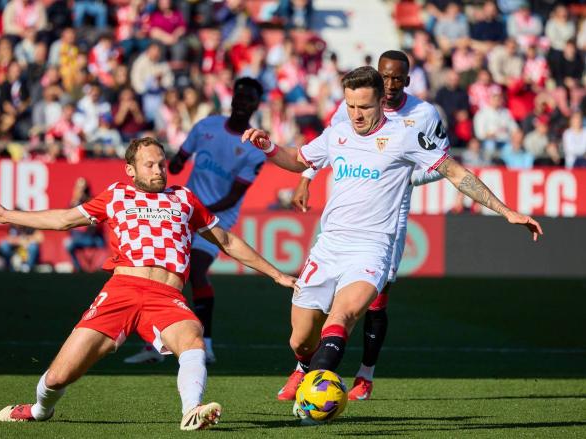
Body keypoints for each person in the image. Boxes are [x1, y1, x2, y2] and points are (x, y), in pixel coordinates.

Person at [242, 66, 542, 420]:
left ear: (381, 103)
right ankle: (307, 368)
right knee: (300, 340)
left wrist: (506, 211)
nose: (356, 114)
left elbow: (457, 174)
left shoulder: (407, 136)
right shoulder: (337, 132)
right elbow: (297, 160)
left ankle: (317, 397)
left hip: (372, 247)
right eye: (351, 106)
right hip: (329, 245)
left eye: (364, 107)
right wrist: (269, 146)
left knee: (344, 315)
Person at [0, 137, 296, 430]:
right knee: (58, 376)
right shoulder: (116, 196)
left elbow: (227, 241)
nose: (158, 170)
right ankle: (39, 410)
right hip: (121, 293)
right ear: (130, 170)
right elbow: (62, 220)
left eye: (161, 163)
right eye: (150, 165)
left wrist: (277, 273)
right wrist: (9, 216)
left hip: (166, 296)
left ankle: (192, 410)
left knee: (193, 339)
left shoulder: (184, 199)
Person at [282, 50, 452, 401]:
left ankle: (365, 374)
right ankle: (304, 369)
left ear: (407, 79)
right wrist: (307, 178)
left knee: (377, 297)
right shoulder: (355, 103)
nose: (389, 85)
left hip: (392, 208)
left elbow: (441, 162)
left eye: (396, 78)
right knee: (318, 306)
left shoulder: (422, 114)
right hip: (347, 211)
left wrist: (403, 173)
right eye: (384, 77)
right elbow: (328, 144)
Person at [124, 77, 265, 364]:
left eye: (248, 98)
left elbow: (234, 195)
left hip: (217, 218)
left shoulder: (253, 148)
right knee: (159, 274)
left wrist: (196, 211)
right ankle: (155, 347)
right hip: (184, 212)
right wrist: (163, 162)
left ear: (255, 104)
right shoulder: (206, 127)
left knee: (197, 271)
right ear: (233, 98)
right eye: (238, 95)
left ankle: (206, 344)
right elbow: (178, 161)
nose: (241, 101)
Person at [64, 178, 106, 272]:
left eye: (83, 188)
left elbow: (95, 225)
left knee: (101, 242)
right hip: (78, 237)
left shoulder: (92, 202)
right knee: (68, 243)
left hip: (93, 237)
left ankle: (95, 269)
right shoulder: (74, 203)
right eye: (78, 188)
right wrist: (75, 201)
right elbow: (67, 221)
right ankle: (79, 269)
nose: (81, 191)